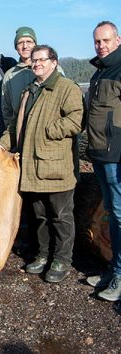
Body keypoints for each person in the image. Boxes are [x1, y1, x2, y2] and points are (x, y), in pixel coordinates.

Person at [0, 45, 85, 283]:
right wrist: (0, 146)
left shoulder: (66, 88)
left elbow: (76, 120)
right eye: (34, 60)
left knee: (60, 215)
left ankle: (62, 259)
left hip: (56, 165)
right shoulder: (29, 90)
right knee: (40, 216)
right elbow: (16, 126)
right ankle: (43, 254)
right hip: (32, 167)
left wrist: (48, 130)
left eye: (42, 60)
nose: (36, 64)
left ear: (54, 62)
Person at [86, 21, 121, 301]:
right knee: (111, 213)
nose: (101, 45)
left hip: (116, 155)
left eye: (106, 40)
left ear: (117, 40)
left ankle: (120, 276)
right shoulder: (99, 73)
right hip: (99, 153)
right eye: (97, 41)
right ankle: (113, 270)